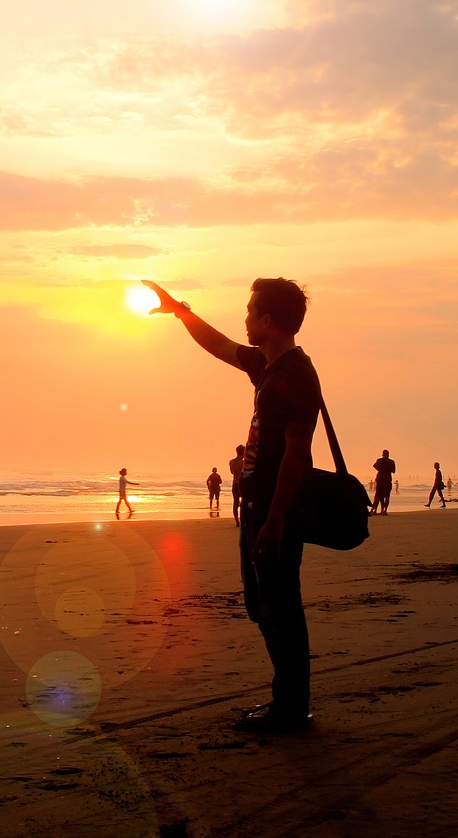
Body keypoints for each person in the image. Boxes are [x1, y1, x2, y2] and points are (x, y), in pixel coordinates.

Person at [145, 277, 319, 733]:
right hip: (262, 505)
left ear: (267, 319)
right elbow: (218, 344)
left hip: (276, 508)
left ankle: (291, 708)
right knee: (262, 604)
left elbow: (298, 452)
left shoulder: (297, 373)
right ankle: (288, 703)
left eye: (249, 311)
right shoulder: (267, 365)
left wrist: (276, 518)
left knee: (280, 604)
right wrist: (180, 311)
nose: (243, 319)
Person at [371, 449, 395, 515]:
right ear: (388, 454)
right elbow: (393, 471)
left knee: (377, 495)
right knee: (387, 496)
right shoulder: (391, 462)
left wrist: (380, 469)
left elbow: (374, 466)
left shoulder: (379, 460)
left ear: (382, 454)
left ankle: (374, 511)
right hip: (387, 480)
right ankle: (384, 511)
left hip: (380, 479)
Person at [229, 445, 245, 527]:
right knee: (244, 502)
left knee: (235, 503)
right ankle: (243, 520)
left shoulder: (231, 461)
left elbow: (232, 472)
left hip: (234, 483)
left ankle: (236, 521)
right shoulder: (243, 462)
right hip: (241, 484)